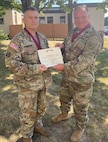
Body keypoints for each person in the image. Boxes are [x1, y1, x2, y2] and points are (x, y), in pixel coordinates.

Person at [51, 5, 103, 142]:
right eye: (77, 17)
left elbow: (85, 60)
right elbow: (67, 46)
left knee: (80, 107)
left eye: (83, 17)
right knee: (64, 98)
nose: (79, 20)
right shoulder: (73, 32)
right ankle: (63, 114)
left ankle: (80, 128)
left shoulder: (94, 36)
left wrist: (64, 67)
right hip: (67, 77)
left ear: (89, 17)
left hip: (82, 79)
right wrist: (61, 47)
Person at [5, 7, 50, 142]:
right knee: (28, 112)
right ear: (24, 20)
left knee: (41, 107)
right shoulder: (17, 40)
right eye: (30, 17)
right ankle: (27, 136)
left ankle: (37, 126)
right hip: (27, 84)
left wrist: (56, 52)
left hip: (42, 81)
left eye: (36, 17)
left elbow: (47, 55)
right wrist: (35, 69)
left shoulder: (42, 37)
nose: (33, 20)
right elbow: (11, 63)